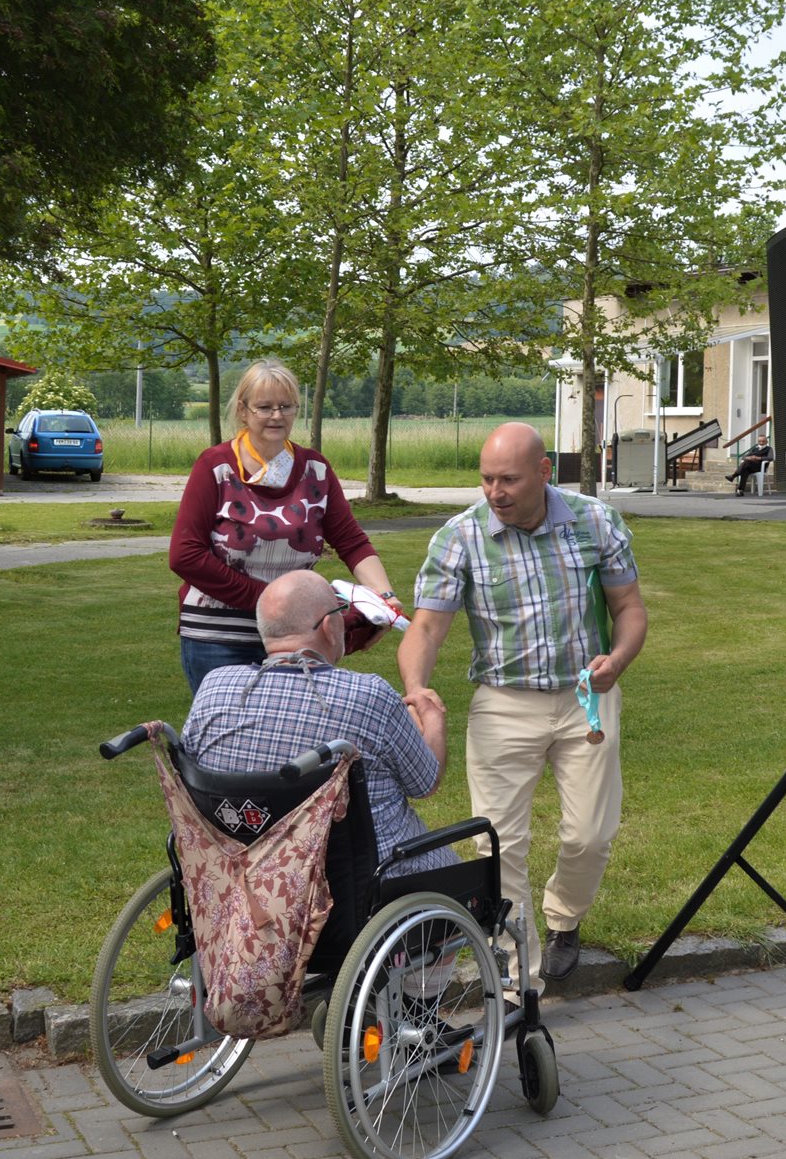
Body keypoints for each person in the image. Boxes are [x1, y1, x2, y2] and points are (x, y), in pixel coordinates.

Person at [398, 422, 647, 984]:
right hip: (503, 704)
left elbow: (629, 605)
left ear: (543, 471)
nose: (495, 492)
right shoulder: (459, 537)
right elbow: (427, 627)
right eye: (486, 479)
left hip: (586, 698)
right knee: (498, 845)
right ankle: (517, 980)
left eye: (508, 479)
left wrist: (619, 659)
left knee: (590, 835)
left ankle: (565, 918)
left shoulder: (594, 521)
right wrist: (417, 686)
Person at [183, 570, 451, 877]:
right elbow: (425, 783)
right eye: (340, 613)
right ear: (328, 627)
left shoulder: (214, 686)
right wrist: (433, 719)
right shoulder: (368, 695)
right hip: (359, 879)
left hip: (242, 874)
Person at [169, 359, 399, 692]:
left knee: (294, 724)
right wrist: (275, 603)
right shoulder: (215, 466)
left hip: (297, 637)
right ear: (243, 410)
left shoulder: (315, 469)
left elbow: (351, 541)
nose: (277, 416)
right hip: (221, 637)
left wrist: (385, 597)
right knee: (227, 724)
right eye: (264, 407)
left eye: (286, 406)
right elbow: (185, 556)